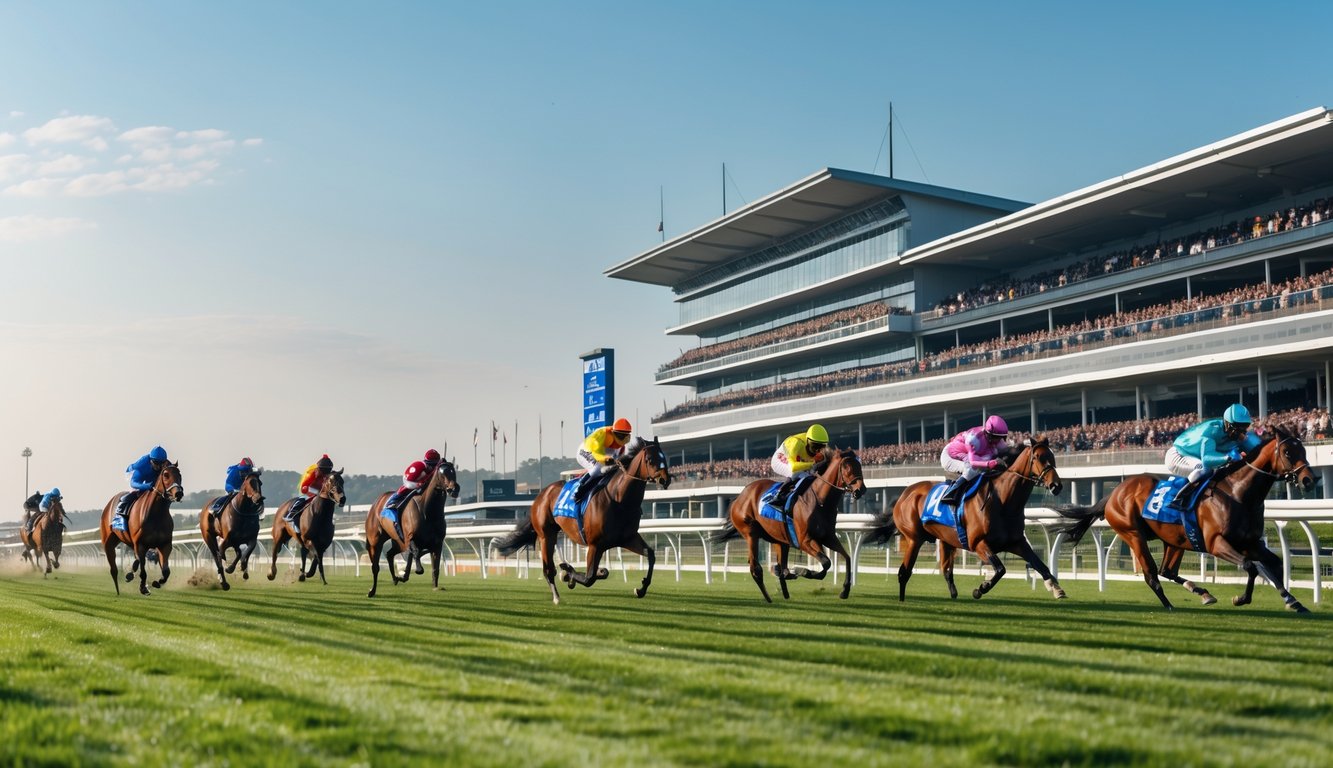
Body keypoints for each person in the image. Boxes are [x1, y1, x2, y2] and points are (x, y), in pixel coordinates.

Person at [1163, 403, 1262, 510]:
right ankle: (1178, 499)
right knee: (1203, 469)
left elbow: (1260, 451)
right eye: (1237, 427)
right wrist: (1227, 458)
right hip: (1178, 455)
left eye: (1244, 427)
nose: (1240, 432)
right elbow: (1207, 460)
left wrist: (1247, 441)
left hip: (1196, 457)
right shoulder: (1212, 430)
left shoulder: (1237, 436)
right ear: (1227, 424)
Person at [938, 415, 1010, 506]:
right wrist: (990, 463)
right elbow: (973, 463)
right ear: (989, 434)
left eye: (1001, 437)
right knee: (972, 470)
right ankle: (951, 493)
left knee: (993, 456)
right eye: (996, 437)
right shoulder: (974, 439)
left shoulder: (996, 440)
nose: (999, 440)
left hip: (970, 454)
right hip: (950, 456)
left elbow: (1007, 451)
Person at [768, 424, 829, 513]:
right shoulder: (796, 443)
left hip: (800, 459)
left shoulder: (815, 445)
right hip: (782, 459)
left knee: (811, 476)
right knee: (796, 473)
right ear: (808, 441)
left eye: (821, 447)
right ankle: (778, 497)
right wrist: (813, 463)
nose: (817, 451)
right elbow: (794, 467)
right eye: (815, 446)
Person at [382, 449, 443, 538]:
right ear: (426, 462)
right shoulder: (419, 466)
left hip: (424, 483)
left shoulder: (437, 467)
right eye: (431, 465)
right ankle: (392, 502)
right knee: (407, 489)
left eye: (435, 465)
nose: (432, 467)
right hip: (411, 481)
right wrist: (419, 484)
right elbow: (408, 482)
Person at [573, 418, 633, 503]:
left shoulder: (622, 447)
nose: (622, 438)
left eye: (625, 435)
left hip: (603, 454)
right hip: (587, 450)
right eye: (620, 435)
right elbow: (595, 451)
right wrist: (604, 459)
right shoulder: (603, 434)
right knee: (598, 469)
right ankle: (579, 491)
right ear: (613, 432)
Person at [115, 446, 169, 521]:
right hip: (136, 478)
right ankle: (120, 517)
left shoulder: (166, 464)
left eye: (162, 463)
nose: (159, 466)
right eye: (156, 463)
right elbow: (133, 483)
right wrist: (145, 486)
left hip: (152, 479)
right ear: (151, 460)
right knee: (133, 494)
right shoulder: (141, 466)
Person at [285, 454, 333, 534]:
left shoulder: (330, 476)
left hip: (323, 494)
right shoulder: (313, 473)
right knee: (302, 499)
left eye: (327, 470)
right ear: (319, 468)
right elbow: (304, 485)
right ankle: (291, 515)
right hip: (312, 491)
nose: (325, 473)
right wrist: (306, 489)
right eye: (324, 470)